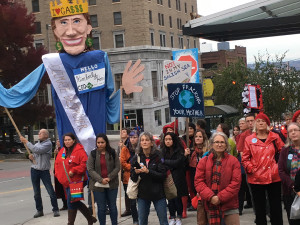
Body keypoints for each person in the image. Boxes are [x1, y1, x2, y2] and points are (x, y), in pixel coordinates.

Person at [242, 112, 284, 225]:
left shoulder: (275, 137)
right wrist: (251, 169)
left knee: (276, 209)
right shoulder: (249, 140)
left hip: (274, 177)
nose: (260, 123)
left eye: (263, 121)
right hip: (256, 178)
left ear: (267, 124)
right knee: (260, 210)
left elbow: (283, 153)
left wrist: (278, 167)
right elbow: (245, 159)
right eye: (258, 121)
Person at [195, 132, 241, 225]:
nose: (219, 144)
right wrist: (211, 197)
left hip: (229, 205)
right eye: (216, 142)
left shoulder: (233, 161)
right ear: (212, 144)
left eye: (222, 142)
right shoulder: (203, 161)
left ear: (226, 145)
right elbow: (198, 182)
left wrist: (220, 198)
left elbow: (236, 183)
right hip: (209, 204)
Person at [54, 133, 96, 225]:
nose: (67, 142)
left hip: (77, 181)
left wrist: (74, 170)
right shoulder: (62, 151)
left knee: (71, 202)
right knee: (75, 201)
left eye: (69, 140)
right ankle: (90, 219)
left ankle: (70, 223)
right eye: (65, 140)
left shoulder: (79, 150)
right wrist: (58, 175)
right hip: (66, 182)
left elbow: (85, 164)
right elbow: (57, 164)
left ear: (73, 140)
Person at [20, 129, 60, 218]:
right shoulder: (37, 144)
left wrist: (26, 141)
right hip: (35, 170)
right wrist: (31, 157)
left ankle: (55, 209)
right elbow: (36, 155)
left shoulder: (48, 144)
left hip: (44, 171)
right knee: (36, 192)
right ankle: (39, 210)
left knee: (50, 191)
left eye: (40, 133)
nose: (39, 134)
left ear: (46, 135)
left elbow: (37, 150)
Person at [130, 132, 168, 225]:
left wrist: (148, 171)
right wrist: (136, 172)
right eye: (142, 140)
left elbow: (163, 175)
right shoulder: (137, 158)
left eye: (147, 140)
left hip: (158, 194)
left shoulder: (158, 156)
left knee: (163, 221)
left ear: (152, 143)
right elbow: (133, 178)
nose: (144, 142)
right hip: (143, 195)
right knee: (142, 222)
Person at [87, 134, 120, 225]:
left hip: (112, 183)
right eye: (98, 142)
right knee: (101, 207)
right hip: (98, 185)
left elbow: (117, 167)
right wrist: (100, 179)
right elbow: (90, 169)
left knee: (112, 206)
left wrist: (109, 177)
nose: (100, 144)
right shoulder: (93, 154)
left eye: (102, 142)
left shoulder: (112, 152)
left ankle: (114, 223)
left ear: (106, 142)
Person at [161, 132, 188, 225]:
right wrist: (168, 163)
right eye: (166, 139)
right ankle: (172, 216)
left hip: (178, 176)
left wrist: (166, 162)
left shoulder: (179, 150)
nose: (168, 141)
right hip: (167, 176)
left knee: (177, 197)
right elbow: (161, 163)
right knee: (170, 198)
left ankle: (179, 216)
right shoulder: (162, 151)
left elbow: (178, 162)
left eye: (170, 139)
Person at [278, 122, 300, 225]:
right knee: (293, 221)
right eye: (290, 131)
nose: (293, 133)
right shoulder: (285, 151)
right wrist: (294, 186)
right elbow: (281, 171)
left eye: (296, 130)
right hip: (290, 191)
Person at [120, 130, 140, 224]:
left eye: (135, 137)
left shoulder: (140, 148)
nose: (132, 139)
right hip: (128, 177)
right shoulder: (125, 149)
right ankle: (135, 219)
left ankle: (142, 217)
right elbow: (123, 162)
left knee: (141, 200)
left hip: (141, 176)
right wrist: (133, 168)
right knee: (131, 200)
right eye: (131, 137)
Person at [181, 122, 196, 218]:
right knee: (187, 186)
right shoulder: (182, 139)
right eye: (188, 128)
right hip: (185, 166)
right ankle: (189, 203)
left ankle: (195, 203)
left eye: (191, 128)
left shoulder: (197, 138)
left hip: (195, 166)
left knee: (193, 186)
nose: (189, 130)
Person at [53, 139, 68, 210]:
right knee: (60, 189)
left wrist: (59, 152)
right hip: (57, 172)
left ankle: (69, 204)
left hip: (64, 173)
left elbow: (63, 159)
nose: (57, 142)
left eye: (59, 141)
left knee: (65, 189)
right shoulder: (57, 150)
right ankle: (64, 204)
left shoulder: (64, 150)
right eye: (57, 141)